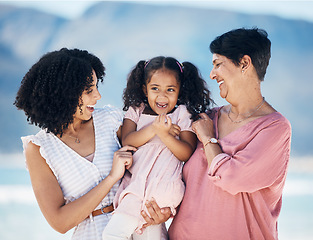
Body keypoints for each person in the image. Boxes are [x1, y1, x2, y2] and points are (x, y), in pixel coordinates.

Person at [168, 28, 292, 240]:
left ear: (244, 63)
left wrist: (208, 140)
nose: (212, 74)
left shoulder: (275, 129)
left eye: (218, 64)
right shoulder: (207, 118)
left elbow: (232, 178)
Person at [14, 48, 137, 240]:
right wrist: (112, 177)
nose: (98, 96)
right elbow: (60, 222)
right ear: (64, 93)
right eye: (89, 90)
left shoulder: (111, 120)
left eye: (97, 87)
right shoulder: (39, 149)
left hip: (138, 227)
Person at [102, 56, 213, 239]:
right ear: (145, 89)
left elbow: (185, 152)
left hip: (163, 190)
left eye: (170, 89)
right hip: (136, 188)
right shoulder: (136, 110)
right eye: (155, 89)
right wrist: (155, 128)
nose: (162, 96)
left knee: (114, 233)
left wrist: (164, 134)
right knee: (117, 234)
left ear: (179, 90)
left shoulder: (182, 114)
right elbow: (127, 140)